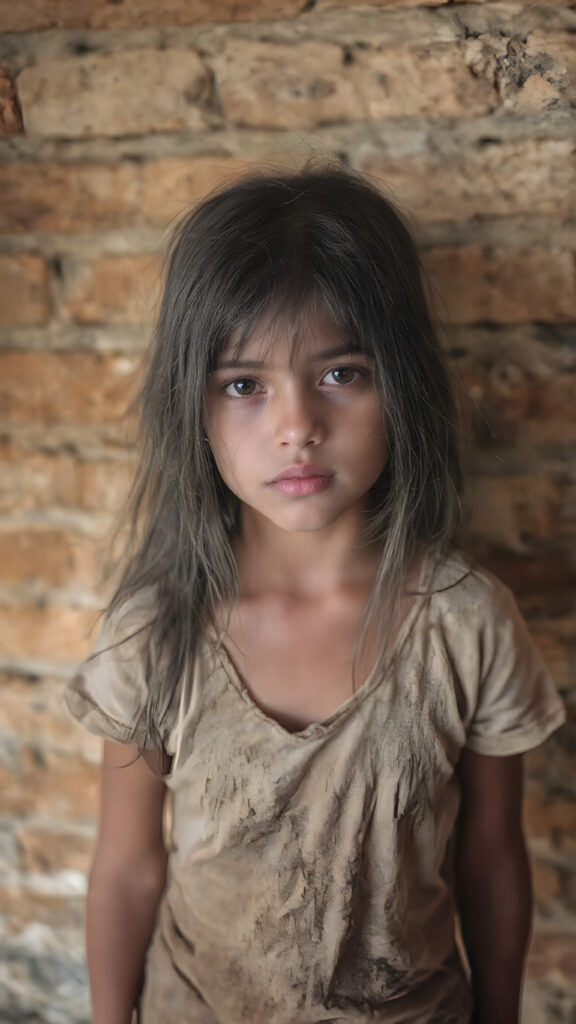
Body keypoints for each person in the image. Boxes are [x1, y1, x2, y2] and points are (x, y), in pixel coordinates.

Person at [65, 164, 565, 1024]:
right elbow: (128, 867)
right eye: (245, 385)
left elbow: (490, 857)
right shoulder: (155, 633)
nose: (297, 425)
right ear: (196, 407)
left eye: (340, 374)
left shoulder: (467, 625)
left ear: (400, 383)